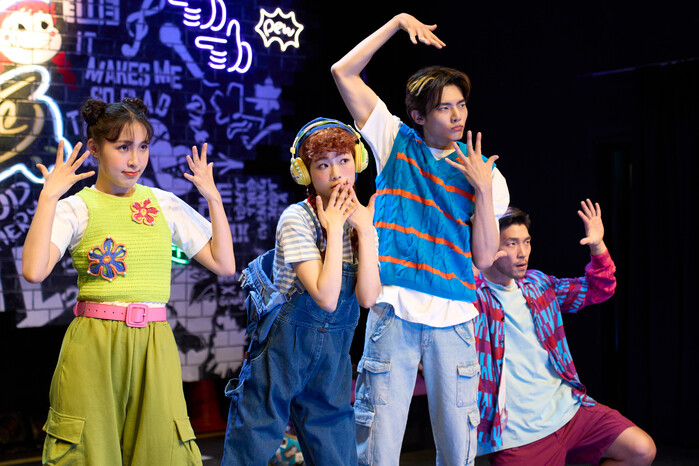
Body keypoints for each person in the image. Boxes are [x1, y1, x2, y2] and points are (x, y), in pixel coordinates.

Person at [331, 13, 509, 466]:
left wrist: (483, 189)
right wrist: (396, 23)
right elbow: (343, 72)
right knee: (378, 446)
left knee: (458, 449)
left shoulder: (484, 172)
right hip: (395, 312)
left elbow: (485, 257)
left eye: (461, 105)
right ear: (418, 115)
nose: (457, 115)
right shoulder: (395, 141)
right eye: (445, 107)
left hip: (455, 318)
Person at [22, 97, 236, 465]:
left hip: (155, 342)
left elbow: (224, 263)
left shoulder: (164, 204)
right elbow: (34, 270)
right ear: (94, 149)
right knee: (88, 451)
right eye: (123, 147)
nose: (135, 160)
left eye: (143, 147)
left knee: (163, 451)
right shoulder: (76, 207)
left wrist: (213, 198)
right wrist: (48, 198)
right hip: (94, 343)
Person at [221, 118, 381, 466]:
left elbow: (368, 298)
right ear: (305, 173)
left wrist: (366, 232)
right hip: (282, 352)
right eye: (322, 165)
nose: (336, 174)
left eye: (344, 160)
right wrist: (335, 228)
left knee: (337, 455)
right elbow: (325, 297)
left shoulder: (362, 222)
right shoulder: (296, 218)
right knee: (252, 445)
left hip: (333, 360)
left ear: (357, 162)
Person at [475, 201, 656, 465]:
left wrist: (598, 246)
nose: (523, 253)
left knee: (641, 450)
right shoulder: (472, 297)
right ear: (490, 244)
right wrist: (476, 256)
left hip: (570, 412)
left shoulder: (537, 284)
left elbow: (598, 289)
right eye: (511, 244)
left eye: (527, 242)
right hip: (519, 434)